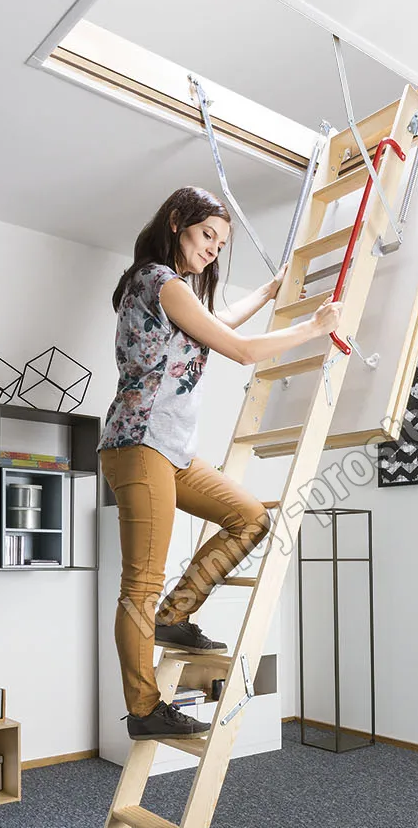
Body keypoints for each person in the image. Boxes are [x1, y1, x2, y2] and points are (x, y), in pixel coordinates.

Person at [98, 186, 342, 742]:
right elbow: (240, 350)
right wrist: (315, 327)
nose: (213, 249)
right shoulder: (160, 281)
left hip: (170, 451)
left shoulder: (167, 290)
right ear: (176, 222)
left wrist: (268, 291)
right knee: (140, 585)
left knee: (251, 518)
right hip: (140, 445)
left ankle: (174, 614)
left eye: (221, 243)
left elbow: (218, 324)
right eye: (207, 234)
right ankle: (144, 709)